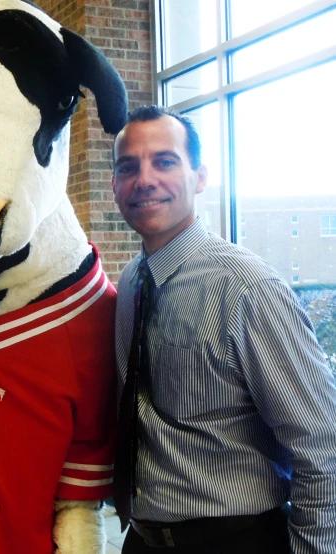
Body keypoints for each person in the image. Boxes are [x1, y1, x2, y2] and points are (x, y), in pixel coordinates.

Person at [111, 105, 336, 554]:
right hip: (141, 539)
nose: (145, 179)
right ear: (115, 185)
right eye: (128, 166)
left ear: (199, 177)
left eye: (165, 161)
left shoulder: (248, 289)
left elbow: (323, 449)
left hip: (237, 540)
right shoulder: (131, 282)